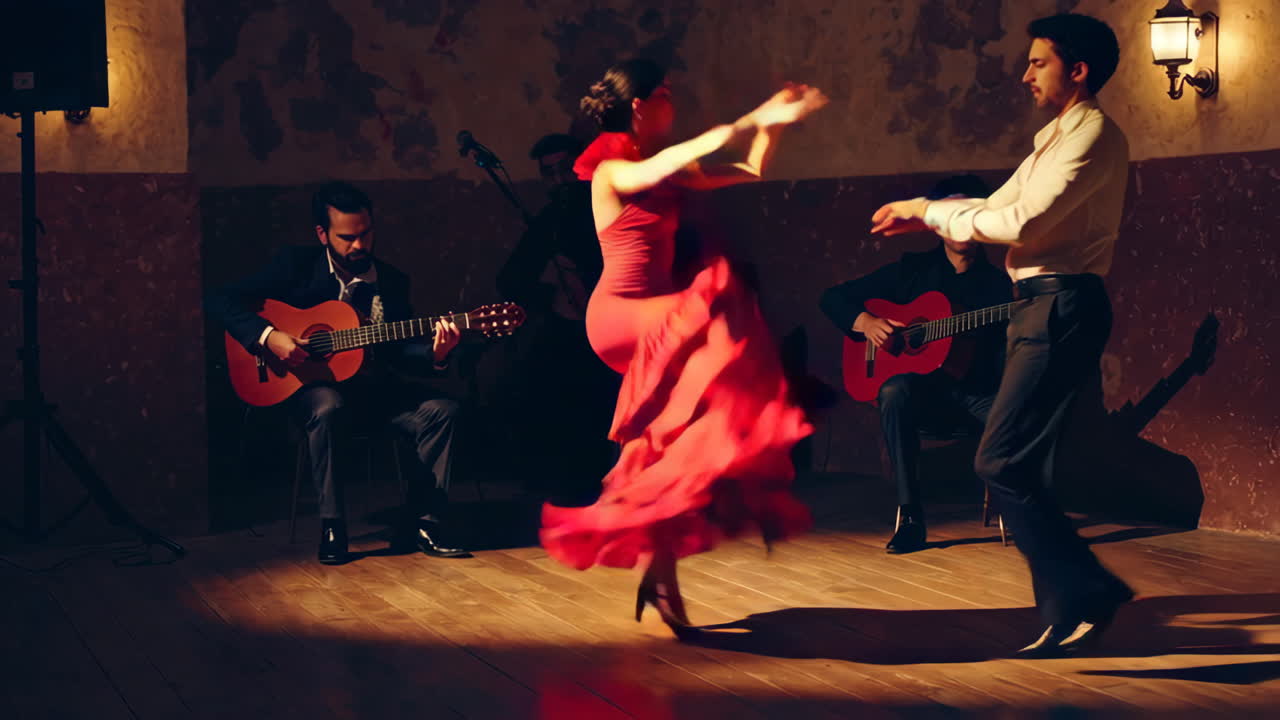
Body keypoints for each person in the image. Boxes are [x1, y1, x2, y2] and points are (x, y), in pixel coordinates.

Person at [871, 14, 1134, 657]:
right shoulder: (1053, 139)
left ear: (1078, 70)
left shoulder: (1093, 134)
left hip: (1061, 305)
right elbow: (993, 211)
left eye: (1037, 62)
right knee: (1021, 464)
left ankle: (1090, 591)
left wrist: (925, 210)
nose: (1024, 74)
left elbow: (1017, 219)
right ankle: (1067, 608)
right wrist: (940, 216)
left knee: (999, 460)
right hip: (1038, 307)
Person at [538, 58, 828, 632]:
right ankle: (751, 429)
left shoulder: (654, 170)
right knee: (717, 294)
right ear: (640, 106)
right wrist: (752, 114)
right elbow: (676, 158)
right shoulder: (611, 171)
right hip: (619, 317)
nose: (674, 102)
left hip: (656, 319)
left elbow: (747, 168)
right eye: (666, 93)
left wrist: (776, 124)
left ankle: (660, 571)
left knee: (671, 442)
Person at [207, 181, 471, 564]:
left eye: (366, 234)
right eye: (347, 238)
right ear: (322, 234)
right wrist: (269, 336)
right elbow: (219, 299)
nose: (359, 246)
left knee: (442, 410)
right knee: (328, 405)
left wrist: (436, 354)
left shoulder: (392, 282)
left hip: (374, 393)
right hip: (312, 392)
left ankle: (426, 524)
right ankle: (333, 526)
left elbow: (398, 353)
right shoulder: (295, 266)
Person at [822, 175, 1011, 554]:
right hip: (925, 400)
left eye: (970, 212)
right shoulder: (912, 271)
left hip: (978, 397)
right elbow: (834, 298)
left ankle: (1029, 519)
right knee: (894, 390)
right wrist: (866, 323)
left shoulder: (1003, 283)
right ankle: (910, 517)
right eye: (952, 213)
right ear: (937, 222)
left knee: (1022, 413)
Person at [494, 134, 619, 504]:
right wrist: (549, 290)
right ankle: (559, 487)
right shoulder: (548, 220)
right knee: (531, 375)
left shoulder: (608, 206)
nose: (560, 180)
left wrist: (588, 280)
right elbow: (510, 279)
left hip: (613, 323)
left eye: (565, 169)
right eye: (549, 174)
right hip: (567, 330)